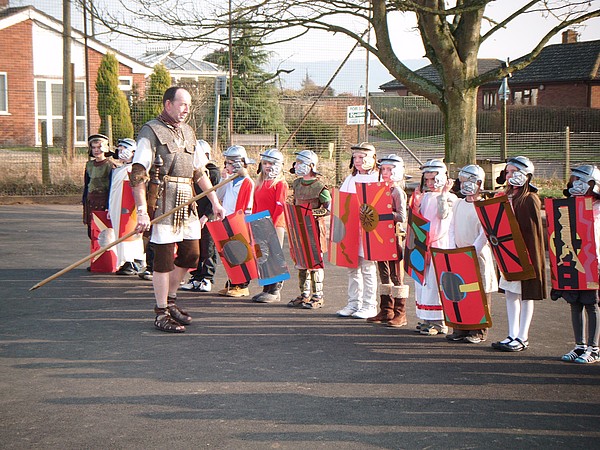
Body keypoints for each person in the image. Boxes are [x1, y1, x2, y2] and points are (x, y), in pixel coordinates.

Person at [130, 86, 226, 333]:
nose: (186, 109)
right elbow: (139, 173)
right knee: (162, 260)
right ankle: (161, 311)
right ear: (168, 104)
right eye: (182, 104)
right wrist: (142, 209)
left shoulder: (188, 132)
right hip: (162, 201)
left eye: (188, 105)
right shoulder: (150, 131)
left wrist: (215, 201)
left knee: (192, 256)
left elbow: (199, 172)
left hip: (187, 202)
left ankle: (171, 300)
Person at [491, 156, 546, 351]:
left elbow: (532, 233)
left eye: (514, 172)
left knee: (525, 295)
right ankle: (512, 333)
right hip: (509, 254)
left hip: (525, 255)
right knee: (510, 294)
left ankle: (523, 336)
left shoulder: (530, 199)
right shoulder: (504, 198)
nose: (510, 175)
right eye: (508, 172)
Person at [552, 165, 600, 364]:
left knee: (591, 304)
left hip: (592, 262)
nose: (576, 185)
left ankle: (594, 347)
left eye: (581, 181)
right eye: (574, 181)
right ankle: (579, 345)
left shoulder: (598, 208)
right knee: (574, 303)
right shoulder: (569, 206)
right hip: (572, 260)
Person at [445, 164, 498, 343]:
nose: (464, 184)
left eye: (469, 181)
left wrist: (472, 251)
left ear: (479, 182)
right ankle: (460, 327)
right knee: (460, 291)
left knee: (479, 292)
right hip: (459, 254)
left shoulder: (483, 206)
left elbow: (484, 232)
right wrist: (454, 247)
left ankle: (478, 330)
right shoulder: (459, 204)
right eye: (462, 181)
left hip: (478, 255)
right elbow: (452, 227)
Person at [410, 159, 457, 335]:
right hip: (424, 244)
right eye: (427, 179)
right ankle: (427, 318)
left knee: (437, 283)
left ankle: (439, 322)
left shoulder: (450, 198)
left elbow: (443, 215)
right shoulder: (427, 196)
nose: (429, 183)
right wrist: (416, 203)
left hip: (440, 244)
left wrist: (444, 195)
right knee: (423, 283)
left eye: (433, 179)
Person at [364, 154, 410, 327]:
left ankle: (400, 314)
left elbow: (401, 216)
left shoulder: (397, 191)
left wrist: (384, 212)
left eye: (389, 170)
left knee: (396, 275)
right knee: (383, 273)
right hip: (379, 235)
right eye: (383, 169)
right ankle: (386, 310)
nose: (385, 173)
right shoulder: (378, 189)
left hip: (394, 235)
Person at [336, 143, 380, 319]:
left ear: (372, 158)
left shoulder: (377, 179)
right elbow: (342, 203)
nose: (358, 161)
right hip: (351, 230)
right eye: (355, 157)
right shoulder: (350, 179)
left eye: (362, 157)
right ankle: (354, 303)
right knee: (352, 268)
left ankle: (370, 305)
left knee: (368, 268)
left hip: (369, 231)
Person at [287, 150, 331, 309]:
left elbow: (328, 209)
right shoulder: (297, 183)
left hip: (314, 229)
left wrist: (310, 214)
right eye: (296, 162)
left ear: (311, 166)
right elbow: (294, 202)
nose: (296, 165)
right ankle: (304, 294)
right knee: (301, 262)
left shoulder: (320, 187)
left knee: (314, 263)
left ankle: (318, 296)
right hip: (299, 228)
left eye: (300, 162)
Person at [181, 140, 221, 292]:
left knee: (208, 247)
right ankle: (196, 276)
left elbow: (215, 195)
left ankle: (207, 277)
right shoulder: (191, 173)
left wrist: (206, 216)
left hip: (207, 215)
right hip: (194, 215)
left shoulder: (213, 172)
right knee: (195, 247)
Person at [216, 144, 255, 297]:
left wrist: (244, 222)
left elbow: (249, 205)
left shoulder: (248, 182)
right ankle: (232, 282)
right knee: (229, 253)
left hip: (239, 221)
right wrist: (223, 179)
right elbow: (218, 196)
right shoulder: (229, 180)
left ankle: (242, 285)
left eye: (230, 163)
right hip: (227, 219)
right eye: (226, 162)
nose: (227, 166)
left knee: (240, 252)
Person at [251, 148, 289, 303]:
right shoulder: (259, 182)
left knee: (274, 256)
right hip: (259, 222)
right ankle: (266, 287)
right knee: (263, 257)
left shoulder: (280, 184)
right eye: (265, 163)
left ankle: (275, 289)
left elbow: (280, 206)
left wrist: (272, 225)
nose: (267, 166)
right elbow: (255, 204)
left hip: (273, 223)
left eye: (271, 163)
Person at [107, 138, 145, 275]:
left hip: (128, 208)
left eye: (124, 148)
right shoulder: (118, 169)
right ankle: (124, 261)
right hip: (116, 204)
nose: (121, 151)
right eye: (120, 148)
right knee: (119, 232)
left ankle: (133, 261)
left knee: (129, 232)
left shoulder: (134, 170)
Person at [82, 134, 116, 239]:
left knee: (103, 233)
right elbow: (87, 184)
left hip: (103, 201)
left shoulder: (110, 166)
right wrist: (84, 201)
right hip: (91, 201)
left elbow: (112, 188)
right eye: (93, 147)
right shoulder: (89, 165)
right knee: (91, 232)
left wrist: (108, 206)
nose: (96, 150)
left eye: (99, 147)